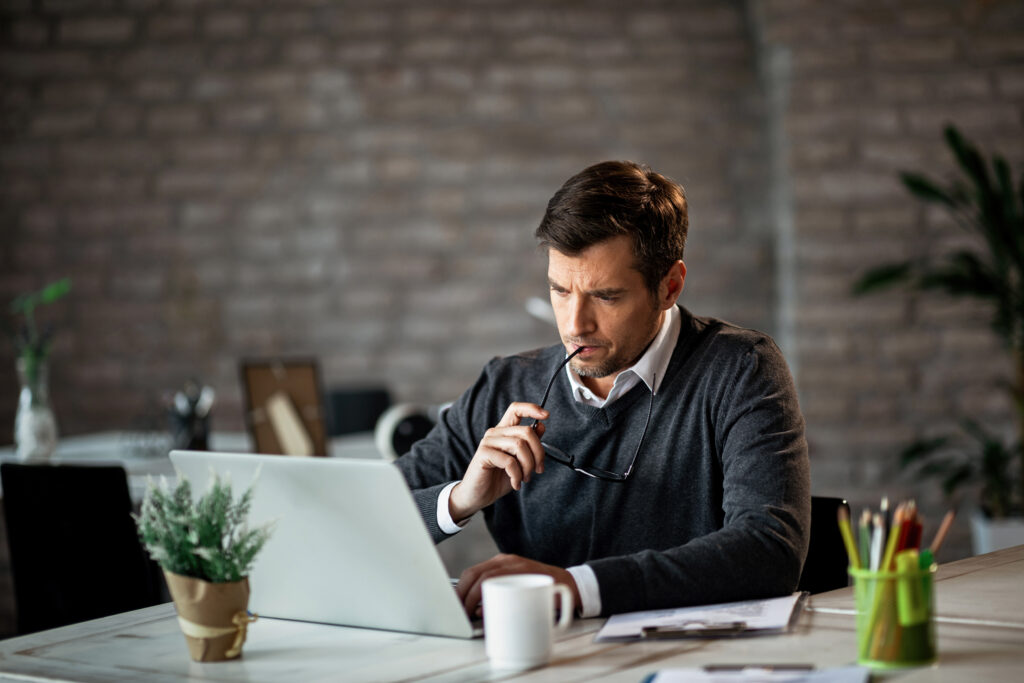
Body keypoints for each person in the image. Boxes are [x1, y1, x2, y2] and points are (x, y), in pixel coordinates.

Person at [396, 160, 810, 618]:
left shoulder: (741, 368)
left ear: (669, 286)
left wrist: (576, 587)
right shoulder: (505, 384)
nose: (575, 324)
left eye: (606, 296)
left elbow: (769, 550)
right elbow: (362, 516)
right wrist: (459, 498)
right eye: (559, 290)